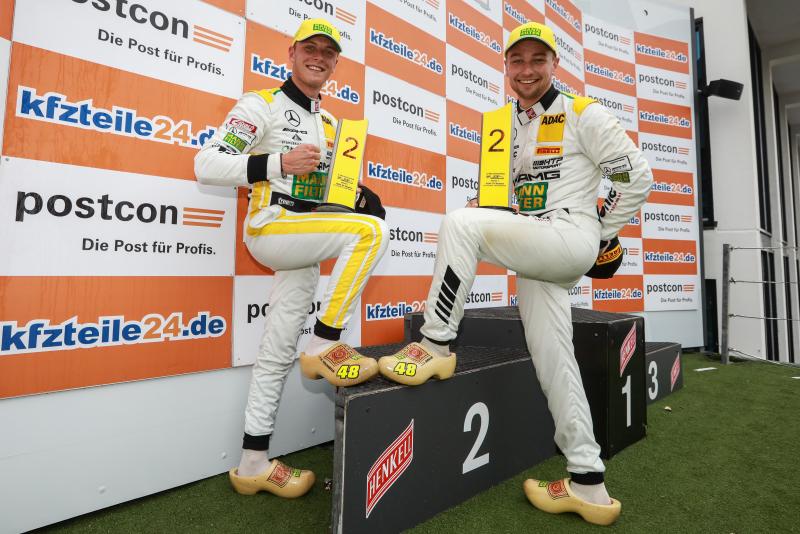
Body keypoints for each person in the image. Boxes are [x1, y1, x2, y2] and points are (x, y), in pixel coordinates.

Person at [377, 21, 652, 525]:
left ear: (554, 64)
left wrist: (602, 235)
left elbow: (636, 177)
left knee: (458, 225)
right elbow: (507, 195)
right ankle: (588, 481)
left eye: (537, 60)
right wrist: (488, 208)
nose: (527, 70)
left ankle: (435, 345)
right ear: (505, 66)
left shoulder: (583, 112)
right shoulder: (504, 123)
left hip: (568, 236)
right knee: (554, 358)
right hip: (539, 245)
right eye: (517, 60)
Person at [195, 18, 388, 499]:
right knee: (371, 235)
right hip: (269, 225)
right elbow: (207, 164)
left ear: (335, 63)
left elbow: (326, 189)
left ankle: (253, 462)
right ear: (292, 53)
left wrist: (360, 196)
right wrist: (277, 162)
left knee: (279, 347)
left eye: (327, 52)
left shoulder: (331, 125)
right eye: (310, 48)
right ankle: (325, 344)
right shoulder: (261, 104)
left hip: (305, 237)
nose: (318, 57)